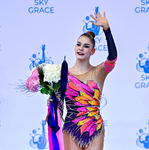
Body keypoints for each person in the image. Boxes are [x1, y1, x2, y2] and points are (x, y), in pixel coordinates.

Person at [47, 11, 117, 150]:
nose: (81, 48)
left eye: (86, 46)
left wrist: (107, 30)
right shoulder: (63, 74)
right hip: (71, 128)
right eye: (79, 44)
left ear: (93, 51)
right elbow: (59, 104)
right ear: (74, 47)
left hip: (94, 128)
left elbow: (113, 57)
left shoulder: (99, 72)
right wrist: (53, 103)